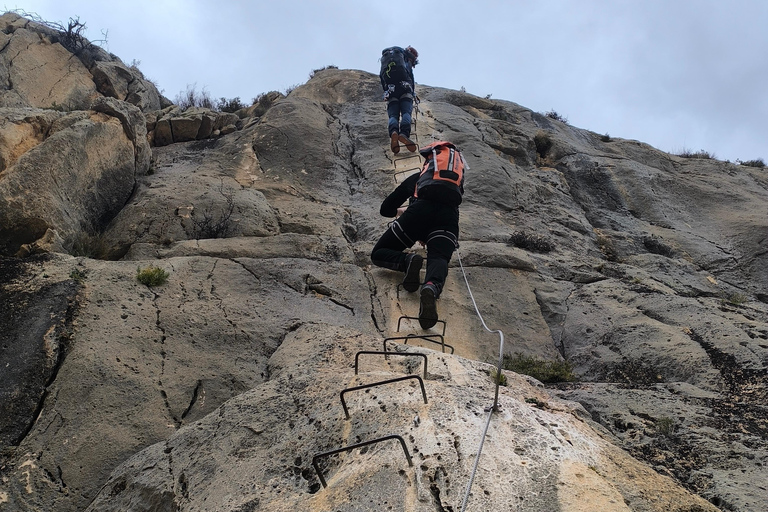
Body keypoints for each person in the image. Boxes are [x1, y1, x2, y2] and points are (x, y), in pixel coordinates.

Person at [370, 141, 466, 329]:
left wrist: (403, 212)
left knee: (379, 252)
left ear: (429, 161)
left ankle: (407, 261)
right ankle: (430, 286)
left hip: (417, 214)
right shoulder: (456, 185)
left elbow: (385, 209)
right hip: (448, 218)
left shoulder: (418, 179)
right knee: (438, 257)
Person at [379, 46, 419, 154]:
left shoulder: (387, 59)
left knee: (393, 116)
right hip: (405, 88)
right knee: (406, 112)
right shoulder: (406, 59)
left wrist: (386, 91)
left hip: (391, 90)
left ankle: (394, 132)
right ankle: (404, 134)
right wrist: (412, 92)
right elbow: (410, 75)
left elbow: (382, 77)